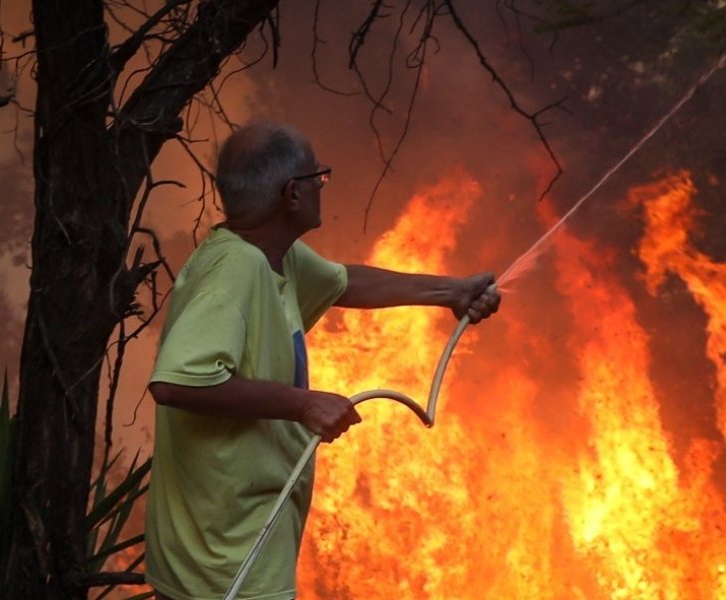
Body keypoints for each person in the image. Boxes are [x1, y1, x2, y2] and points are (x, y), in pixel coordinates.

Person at [144, 120, 500, 600]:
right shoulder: (236, 269)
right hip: (223, 557)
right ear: (292, 194)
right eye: (319, 176)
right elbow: (177, 383)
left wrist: (451, 292)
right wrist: (303, 404)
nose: (322, 185)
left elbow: (345, 282)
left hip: (234, 538)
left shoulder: (271, 256)